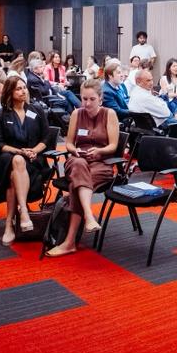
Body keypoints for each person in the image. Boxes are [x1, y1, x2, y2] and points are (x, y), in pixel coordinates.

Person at [47, 79, 119, 257]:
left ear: (100, 98)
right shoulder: (76, 114)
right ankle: (88, 216)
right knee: (79, 165)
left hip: (101, 163)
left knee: (77, 186)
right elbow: (69, 143)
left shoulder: (109, 114)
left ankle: (70, 242)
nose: (87, 103)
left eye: (92, 99)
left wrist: (100, 151)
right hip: (78, 160)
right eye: (84, 99)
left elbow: (113, 146)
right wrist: (75, 151)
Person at [0, 77, 52, 245]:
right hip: (8, 158)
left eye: (24, 88)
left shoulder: (36, 110)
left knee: (13, 177)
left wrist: (34, 151)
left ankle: (9, 224)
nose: (23, 91)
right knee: (17, 160)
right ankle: (23, 211)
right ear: (10, 92)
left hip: (34, 159)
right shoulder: (0, 115)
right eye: (18, 89)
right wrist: (19, 151)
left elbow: (46, 138)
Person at [128, 68, 177, 147]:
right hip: (162, 129)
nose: (151, 83)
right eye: (148, 80)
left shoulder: (134, 93)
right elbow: (166, 113)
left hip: (151, 129)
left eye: (152, 80)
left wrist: (158, 100)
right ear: (138, 81)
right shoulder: (145, 97)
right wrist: (160, 101)